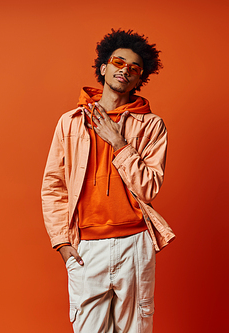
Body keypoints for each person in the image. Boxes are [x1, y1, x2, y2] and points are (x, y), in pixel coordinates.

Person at [41, 29, 175, 333]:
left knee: (136, 329)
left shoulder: (152, 125)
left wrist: (119, 143)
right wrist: (61, 241)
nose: (125, 71)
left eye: (134, 69)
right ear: (103, 67)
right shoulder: (71, 121)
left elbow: (149, 186)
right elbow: (53, 186)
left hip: (135, 243)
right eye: (118, 62)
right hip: (86, 246)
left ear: (139, 79)